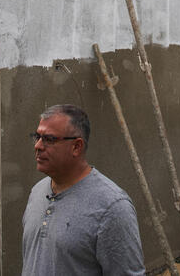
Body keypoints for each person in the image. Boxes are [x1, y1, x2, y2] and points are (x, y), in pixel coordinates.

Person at [22, 104, 145, 276]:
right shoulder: (37, 192)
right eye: (37, 137)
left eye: (49, 139)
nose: (38, 146)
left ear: (76, 147)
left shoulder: (112, 207)